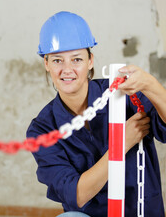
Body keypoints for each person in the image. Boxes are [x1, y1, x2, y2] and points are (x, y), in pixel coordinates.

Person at [26, 11, 166, 217]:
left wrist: (150, 84)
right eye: (57, 60)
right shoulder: (42, 129)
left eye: (76, 59)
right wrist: (121, 143)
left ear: (90, 60)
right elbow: (77, 194)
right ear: (46, 63)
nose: (67, 69)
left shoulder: (122, 95)